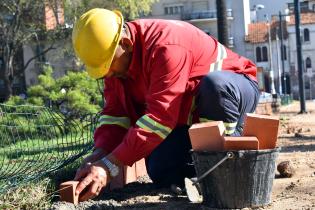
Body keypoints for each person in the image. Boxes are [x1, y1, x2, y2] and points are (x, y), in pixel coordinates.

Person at [72, 8, 259, 201]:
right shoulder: (116, 63)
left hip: (233, 93)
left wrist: (110, 165)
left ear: (126, 44)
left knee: (215, 87)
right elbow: (115, 115)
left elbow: (160, 118)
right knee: (160, 168)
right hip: (190, 119)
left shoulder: (166, 46)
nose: (107, 75)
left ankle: (230, 159)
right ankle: (202, 170)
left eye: (108, 66)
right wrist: (101, 153)